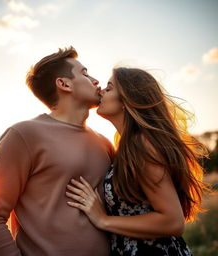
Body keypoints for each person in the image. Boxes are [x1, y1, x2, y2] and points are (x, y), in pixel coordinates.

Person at [0, 47, 114, 256]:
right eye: (84, 73)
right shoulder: (23, 135)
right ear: (64, 84)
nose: (95, 80)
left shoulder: (104, 143)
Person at [66, 67, 209, 255]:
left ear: (127, 100)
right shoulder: (126, 145)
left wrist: (103, 220)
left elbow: (173, 221)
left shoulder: (143, 146)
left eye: (109, 88)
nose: (101, 91)